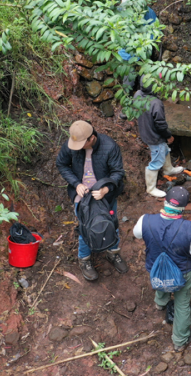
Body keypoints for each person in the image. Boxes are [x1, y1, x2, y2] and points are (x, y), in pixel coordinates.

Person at [56, 120, 128, 281]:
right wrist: (76, 184)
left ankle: (113, 253)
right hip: (82, 196)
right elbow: (61, 164)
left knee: (112, 224)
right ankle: (85, 260)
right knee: (85, 229)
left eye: (81, 144)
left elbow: (118, 172)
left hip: (104, 196)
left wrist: (105, 189)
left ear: (91, 138)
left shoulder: (109, 146)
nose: (78, 147)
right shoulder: (70, 145)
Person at [134, 186, 191, 351]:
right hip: (181, 273)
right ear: (183, 208)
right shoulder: (189, 228)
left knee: (161, 276)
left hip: (156, 269)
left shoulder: (145, 220)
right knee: (182, 304)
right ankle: (179, 341)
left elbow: (137, 234)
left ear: (164, 202)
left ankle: (160, 302)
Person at [135, 75, 183, 198]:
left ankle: (168, 169)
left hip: (145, 131)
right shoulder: (156, 103)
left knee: (164, 150)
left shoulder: (138, 94)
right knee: (156, 161)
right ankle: (150, 188)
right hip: (154, 136)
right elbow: (161, 125)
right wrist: (168, 136)